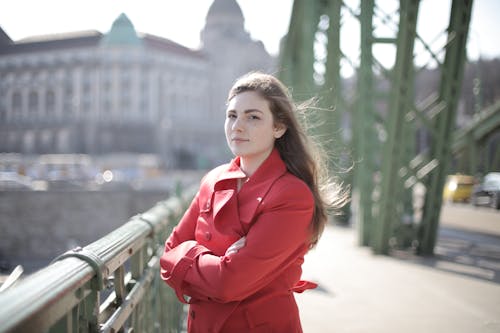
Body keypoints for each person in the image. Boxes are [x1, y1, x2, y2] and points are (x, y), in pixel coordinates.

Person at [160, 72, 344, 332]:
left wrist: (188, 258)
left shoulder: (292, 195)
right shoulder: (213, 180)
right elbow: (167, 253)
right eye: (232, 115)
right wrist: (212, 258)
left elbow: (228, 284)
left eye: (253, 117)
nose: (237, 126)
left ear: (279, 128)